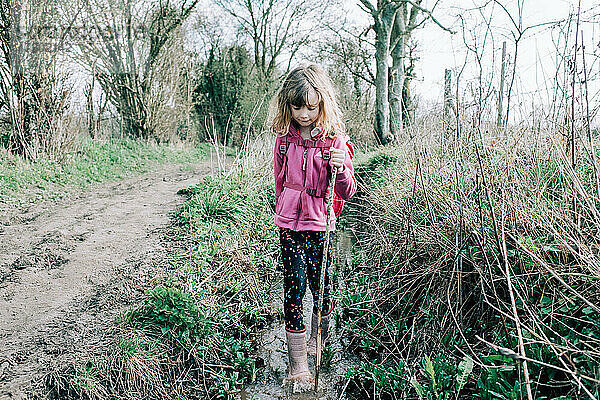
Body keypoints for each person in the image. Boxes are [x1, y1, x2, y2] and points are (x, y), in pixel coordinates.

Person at [270, 64, 356, 384]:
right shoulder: (283, 141)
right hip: (290, 226)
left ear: (322, 102)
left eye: (311, 106)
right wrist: (282, 211)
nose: (304, 114)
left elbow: (347, 190)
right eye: (297, 106)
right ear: (287, 105)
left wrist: (343, 167)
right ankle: (298, 366)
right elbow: (279, 182)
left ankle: (318, 342)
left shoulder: (335, 141)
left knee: (321, 290)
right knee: (294, 290)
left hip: (321, 226)